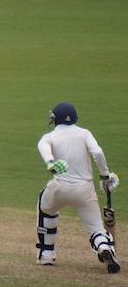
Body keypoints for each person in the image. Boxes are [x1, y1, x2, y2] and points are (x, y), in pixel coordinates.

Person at [36, 102, 120, 273]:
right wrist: (105, 176)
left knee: (46, 208)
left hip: (60, 187)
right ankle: (104, 247)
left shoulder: (50, 136)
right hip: (85, 190)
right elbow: (97, 152)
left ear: (55, 118)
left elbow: (42, 146)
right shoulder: (84, 133)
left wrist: (50, 163)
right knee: (96, 229)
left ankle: (46, 254)